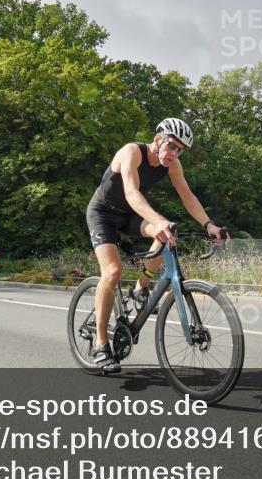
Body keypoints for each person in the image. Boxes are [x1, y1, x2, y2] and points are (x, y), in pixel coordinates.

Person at [85, 118, 228, 373]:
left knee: (166, 235)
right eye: (171, 145)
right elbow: (131, 193)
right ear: (158, 139)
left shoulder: (172, 165)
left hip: (129, 215)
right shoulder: (132, 152)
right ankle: (100, 344)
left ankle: (140, 288)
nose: (174, 153)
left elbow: (187, 196)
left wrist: (209, 224)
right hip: (102, 213)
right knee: (113, 272)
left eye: (179, 150)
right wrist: (158, 220)